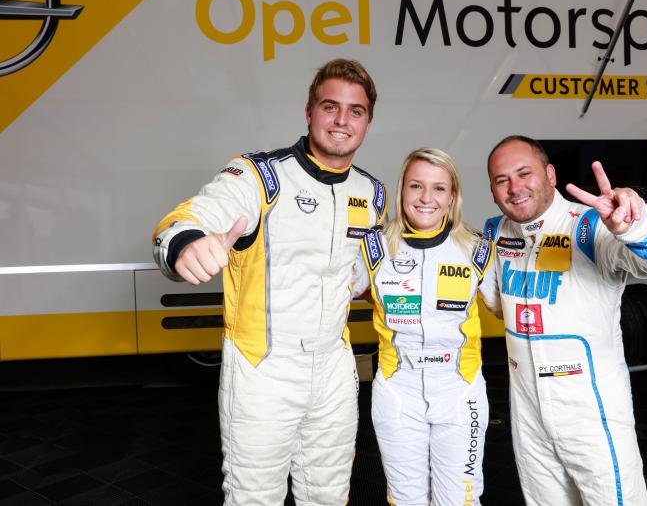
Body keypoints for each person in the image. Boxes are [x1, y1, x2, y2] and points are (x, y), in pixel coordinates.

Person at [152, 59, 387, 505]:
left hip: (335, 369)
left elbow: (361, 273)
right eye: (330, 107)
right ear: (309, 112)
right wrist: (186, 244)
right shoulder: (259, 176)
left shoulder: (372, 194)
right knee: (254, 498)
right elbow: (189, 218)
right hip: (263, 370)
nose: (342, 120)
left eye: (355, 111)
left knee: (329, 495)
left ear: (367, 123)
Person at [483, 135, 647, 506]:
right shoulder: (495, 233)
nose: (514, 187)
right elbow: (498, 305)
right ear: (493, 191)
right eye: (501, 180)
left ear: (550, 174)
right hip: (527, 412)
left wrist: (635, 226)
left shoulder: (591, 224)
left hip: (590, 412)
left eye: (524, 173)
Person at [352, 148, 499, 505]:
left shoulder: (478, 249)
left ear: (452, 196)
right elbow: (324, 296)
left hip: (459, 390)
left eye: (439, 188)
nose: (426, 198)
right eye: (416, 186)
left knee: (460, 501)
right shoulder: (374, 248)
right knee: (406, 500)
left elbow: (512, 310)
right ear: (402, 189)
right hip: (397, 390)